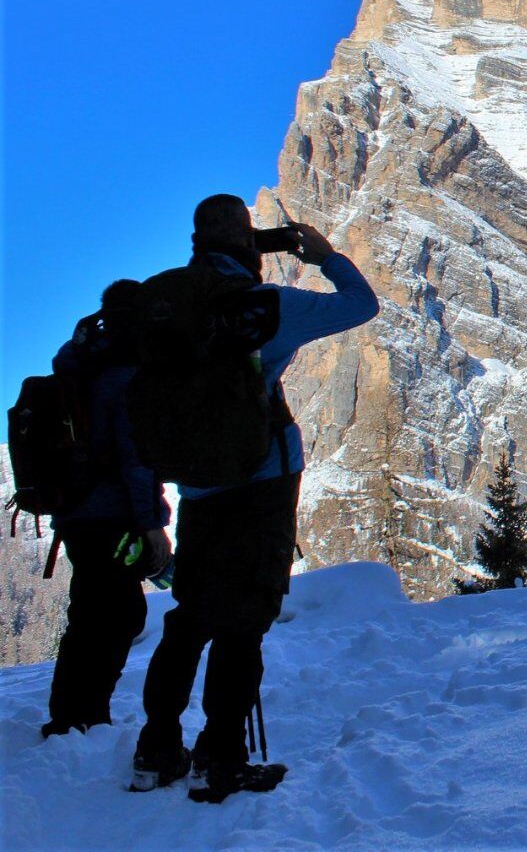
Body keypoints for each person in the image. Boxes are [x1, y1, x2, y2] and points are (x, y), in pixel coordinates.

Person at [132, 194, 379, 802]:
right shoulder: (266, 305)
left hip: (199, 486)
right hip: (263, 481)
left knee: (189, 617)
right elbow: (361, 305)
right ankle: (222, 759)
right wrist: (325, 256)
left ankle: (156, 749)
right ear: (252, 245)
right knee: (243, 622)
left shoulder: (167, 306)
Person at [44, 279, 172, 739]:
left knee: (93, 611)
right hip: (112, 514)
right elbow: (134, 459)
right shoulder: (125, 376)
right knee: (117, 614)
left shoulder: (80, 362)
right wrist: (152, 525)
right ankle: (83, 716)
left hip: (75, 512)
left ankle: (71, 714)